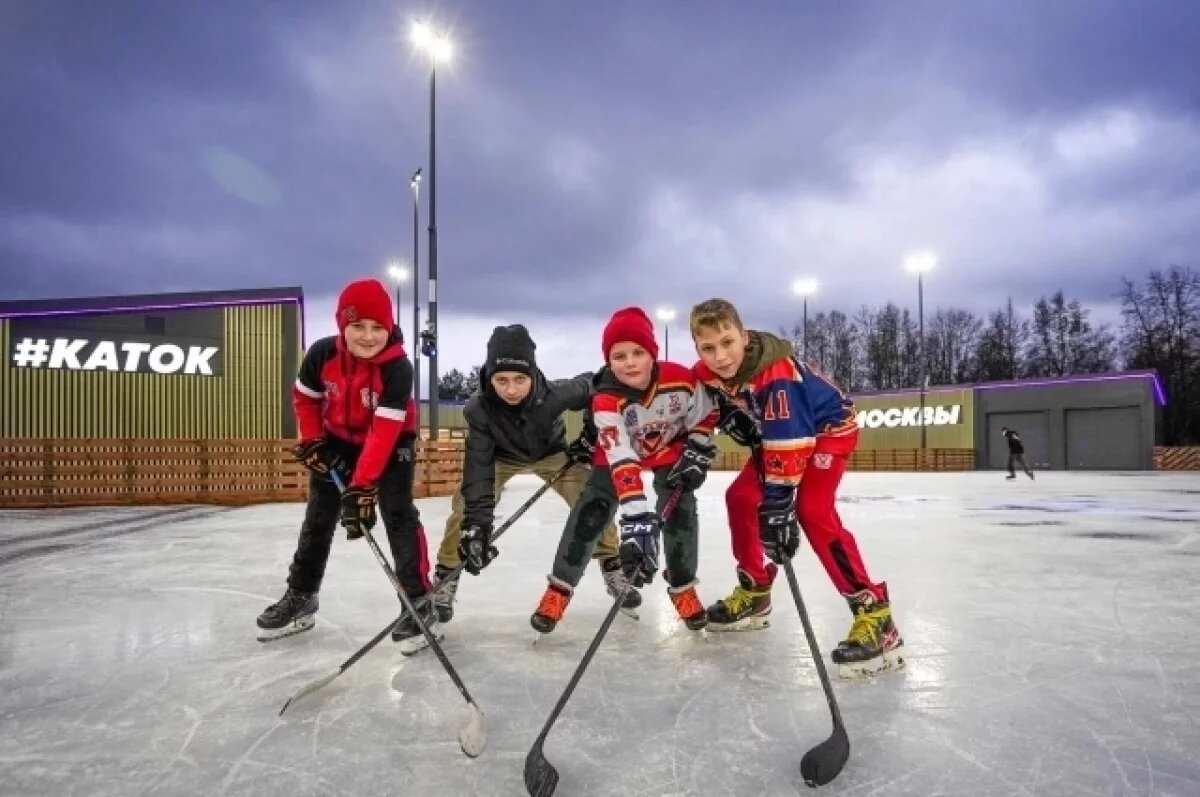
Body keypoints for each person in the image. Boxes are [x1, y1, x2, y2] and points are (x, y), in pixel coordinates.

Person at [689, 298, 904, 678]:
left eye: (727, 342)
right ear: (698, 348)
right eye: (708, 348)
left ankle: (875, 613)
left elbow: (791, 440)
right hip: (777, 437)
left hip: (826, 433)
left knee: (811, 511)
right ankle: (755, 591)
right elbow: (701, 405)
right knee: (739, 498)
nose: (720, 356)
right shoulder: (707, 373)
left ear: (744, 335)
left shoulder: (777, 374)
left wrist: (778, 504)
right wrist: (712, 428)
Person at [256, 278, 434, 654]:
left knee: (397, 512)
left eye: (377, 327)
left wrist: (362, 485)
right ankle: (302, 594)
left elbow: (384, 431)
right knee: (319, 516)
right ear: (342, 325)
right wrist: (312, 440)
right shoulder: (322, 354)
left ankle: (418, 602)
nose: (369, 336)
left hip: (392, 439)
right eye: (358, 326)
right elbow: (305, 400)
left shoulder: (398, 368)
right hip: (337, 438)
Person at [527, 307, 718, 634]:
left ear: (652, 354)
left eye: (638, 353)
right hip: (617, 454)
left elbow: (705, 415)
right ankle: (559, 587)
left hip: (668, 449)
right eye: (619, 356)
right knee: (592, 510)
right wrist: (636, 520)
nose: (629, 362)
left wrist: (699, 446)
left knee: (681, 508)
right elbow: (622, 457)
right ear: (608, 360)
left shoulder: (682, 379)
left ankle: (683, 586)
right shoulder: (605, 398)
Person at [436, 324, 641, 624]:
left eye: (520, 379)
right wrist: (478, 527)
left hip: (551, 455)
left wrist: (590, 432)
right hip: (500, 458)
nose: (510, 389)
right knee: (465, 506)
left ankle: (611, 563)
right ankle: (446, 576)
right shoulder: (477, 410)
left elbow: (598, 384)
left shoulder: (555, 394)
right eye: (501, 379)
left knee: (592, 497)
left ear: (533, 375)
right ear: (488, 376)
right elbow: (478, 471)